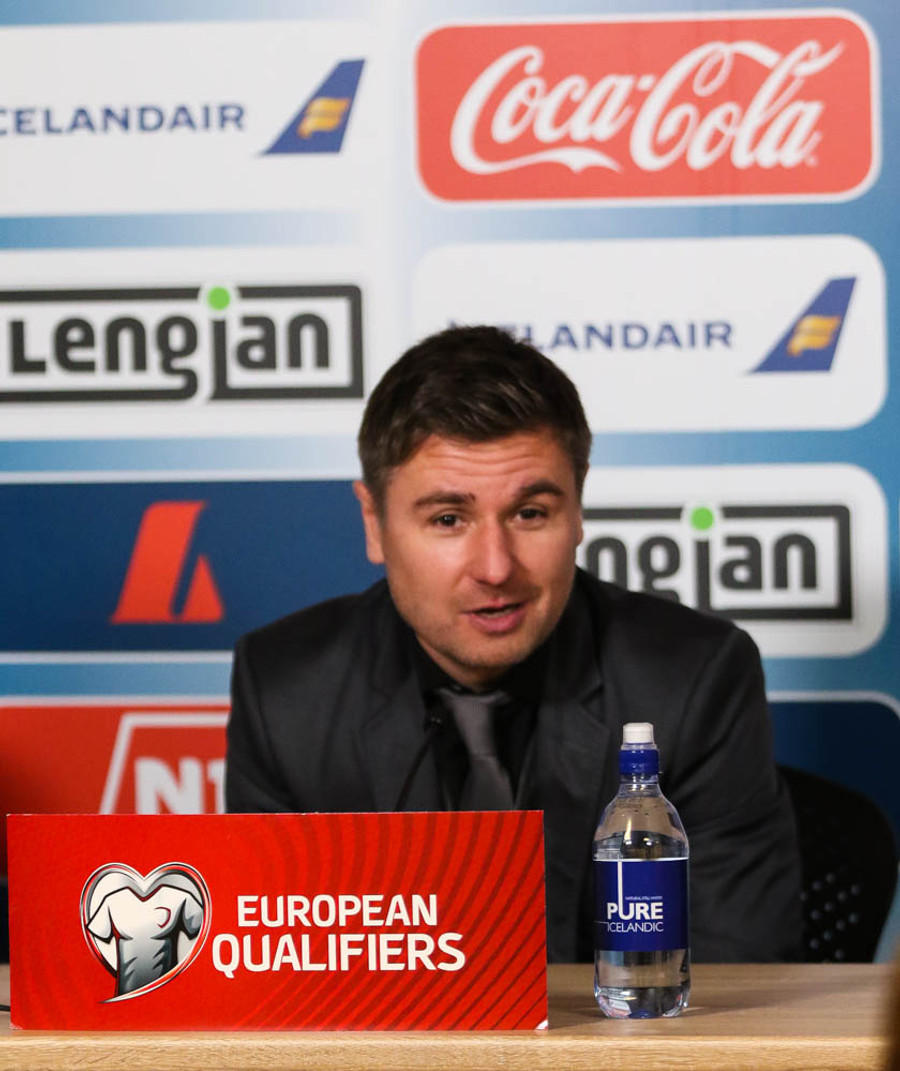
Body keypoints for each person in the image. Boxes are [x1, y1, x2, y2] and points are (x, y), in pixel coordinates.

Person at [226, 324, 801, 963]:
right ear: (374, 523)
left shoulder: (692, 679)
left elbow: (735, 973)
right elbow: (274, 980)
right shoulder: (284, 691)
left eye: (530, 514)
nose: (496, 568)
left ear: (577, 509)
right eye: (449, 519)